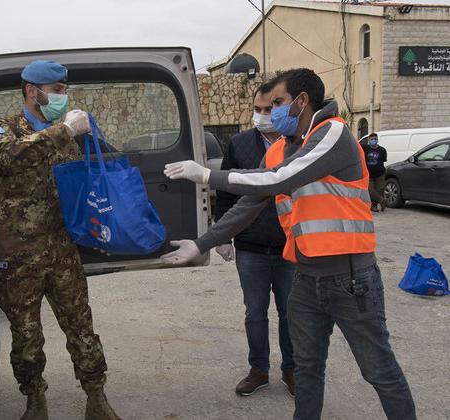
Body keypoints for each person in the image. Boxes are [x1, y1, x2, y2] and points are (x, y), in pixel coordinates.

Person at [162, 68, 416, 420]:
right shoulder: (280, 150)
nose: (270, 113)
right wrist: (202, 243)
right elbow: (249, 204)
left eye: (278, 104)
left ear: (301, 101)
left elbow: (278, 179)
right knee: (307, 368)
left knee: (379, 371)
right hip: (305, 278)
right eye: (264, 107)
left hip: (350, 279)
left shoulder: (333, 133)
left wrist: (207, 175)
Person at [0, 60, 121, 420]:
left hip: (62, 251)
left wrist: (87, 133)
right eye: (57, 90)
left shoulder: (70, 135)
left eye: (64, 90)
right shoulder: (2, 128)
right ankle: (35, 401)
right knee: (26, 335)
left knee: (82, 328)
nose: (63, 96)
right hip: (18, 255)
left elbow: (90, 181)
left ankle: (97, 398)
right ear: (32, 91)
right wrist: (65, 130)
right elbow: (8, 157)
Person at [215, 80, 295, 397]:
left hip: (291, 246)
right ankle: (258, 370)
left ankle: (292, 370)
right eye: (257, 109)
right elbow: (226, 190)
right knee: (255, 313)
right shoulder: (239, 144)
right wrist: (223, 234)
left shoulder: (298, 144)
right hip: (251, 247)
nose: (262, 115)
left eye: (268, 109)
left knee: (291, 313)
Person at [362, 132, 388, 211]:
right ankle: (382, 200)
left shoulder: (382, 150)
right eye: (372, 139)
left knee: (378, 190)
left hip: (380, 174)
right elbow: (356, 145)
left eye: (375, 139)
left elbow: (383, 161)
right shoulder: (365, 148)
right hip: (368, 174)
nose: (374, 140)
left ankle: (374, 206)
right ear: (369, 140)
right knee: (370, 190)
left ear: (377, 140)